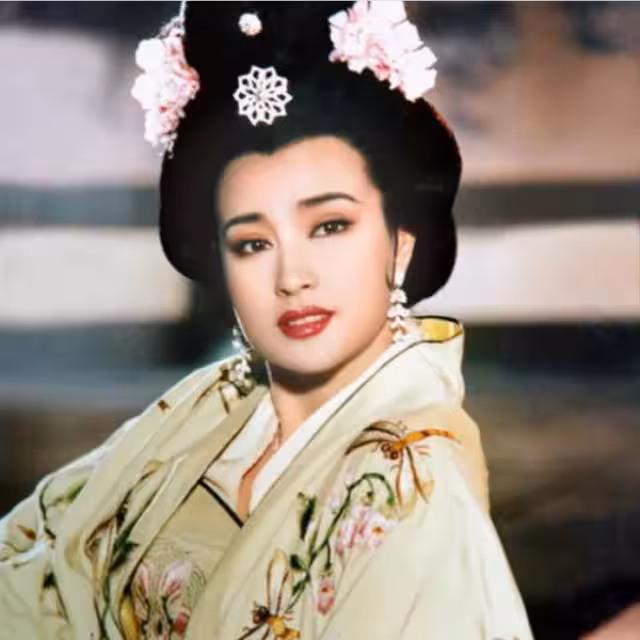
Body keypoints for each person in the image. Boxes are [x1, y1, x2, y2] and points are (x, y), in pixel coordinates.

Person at [0, 2, 534, 638]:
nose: (291, 276)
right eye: (252, 243)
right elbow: (32, 557)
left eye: (330, 226)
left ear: (400, 245)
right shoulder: (208, 410)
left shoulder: (413, 484)